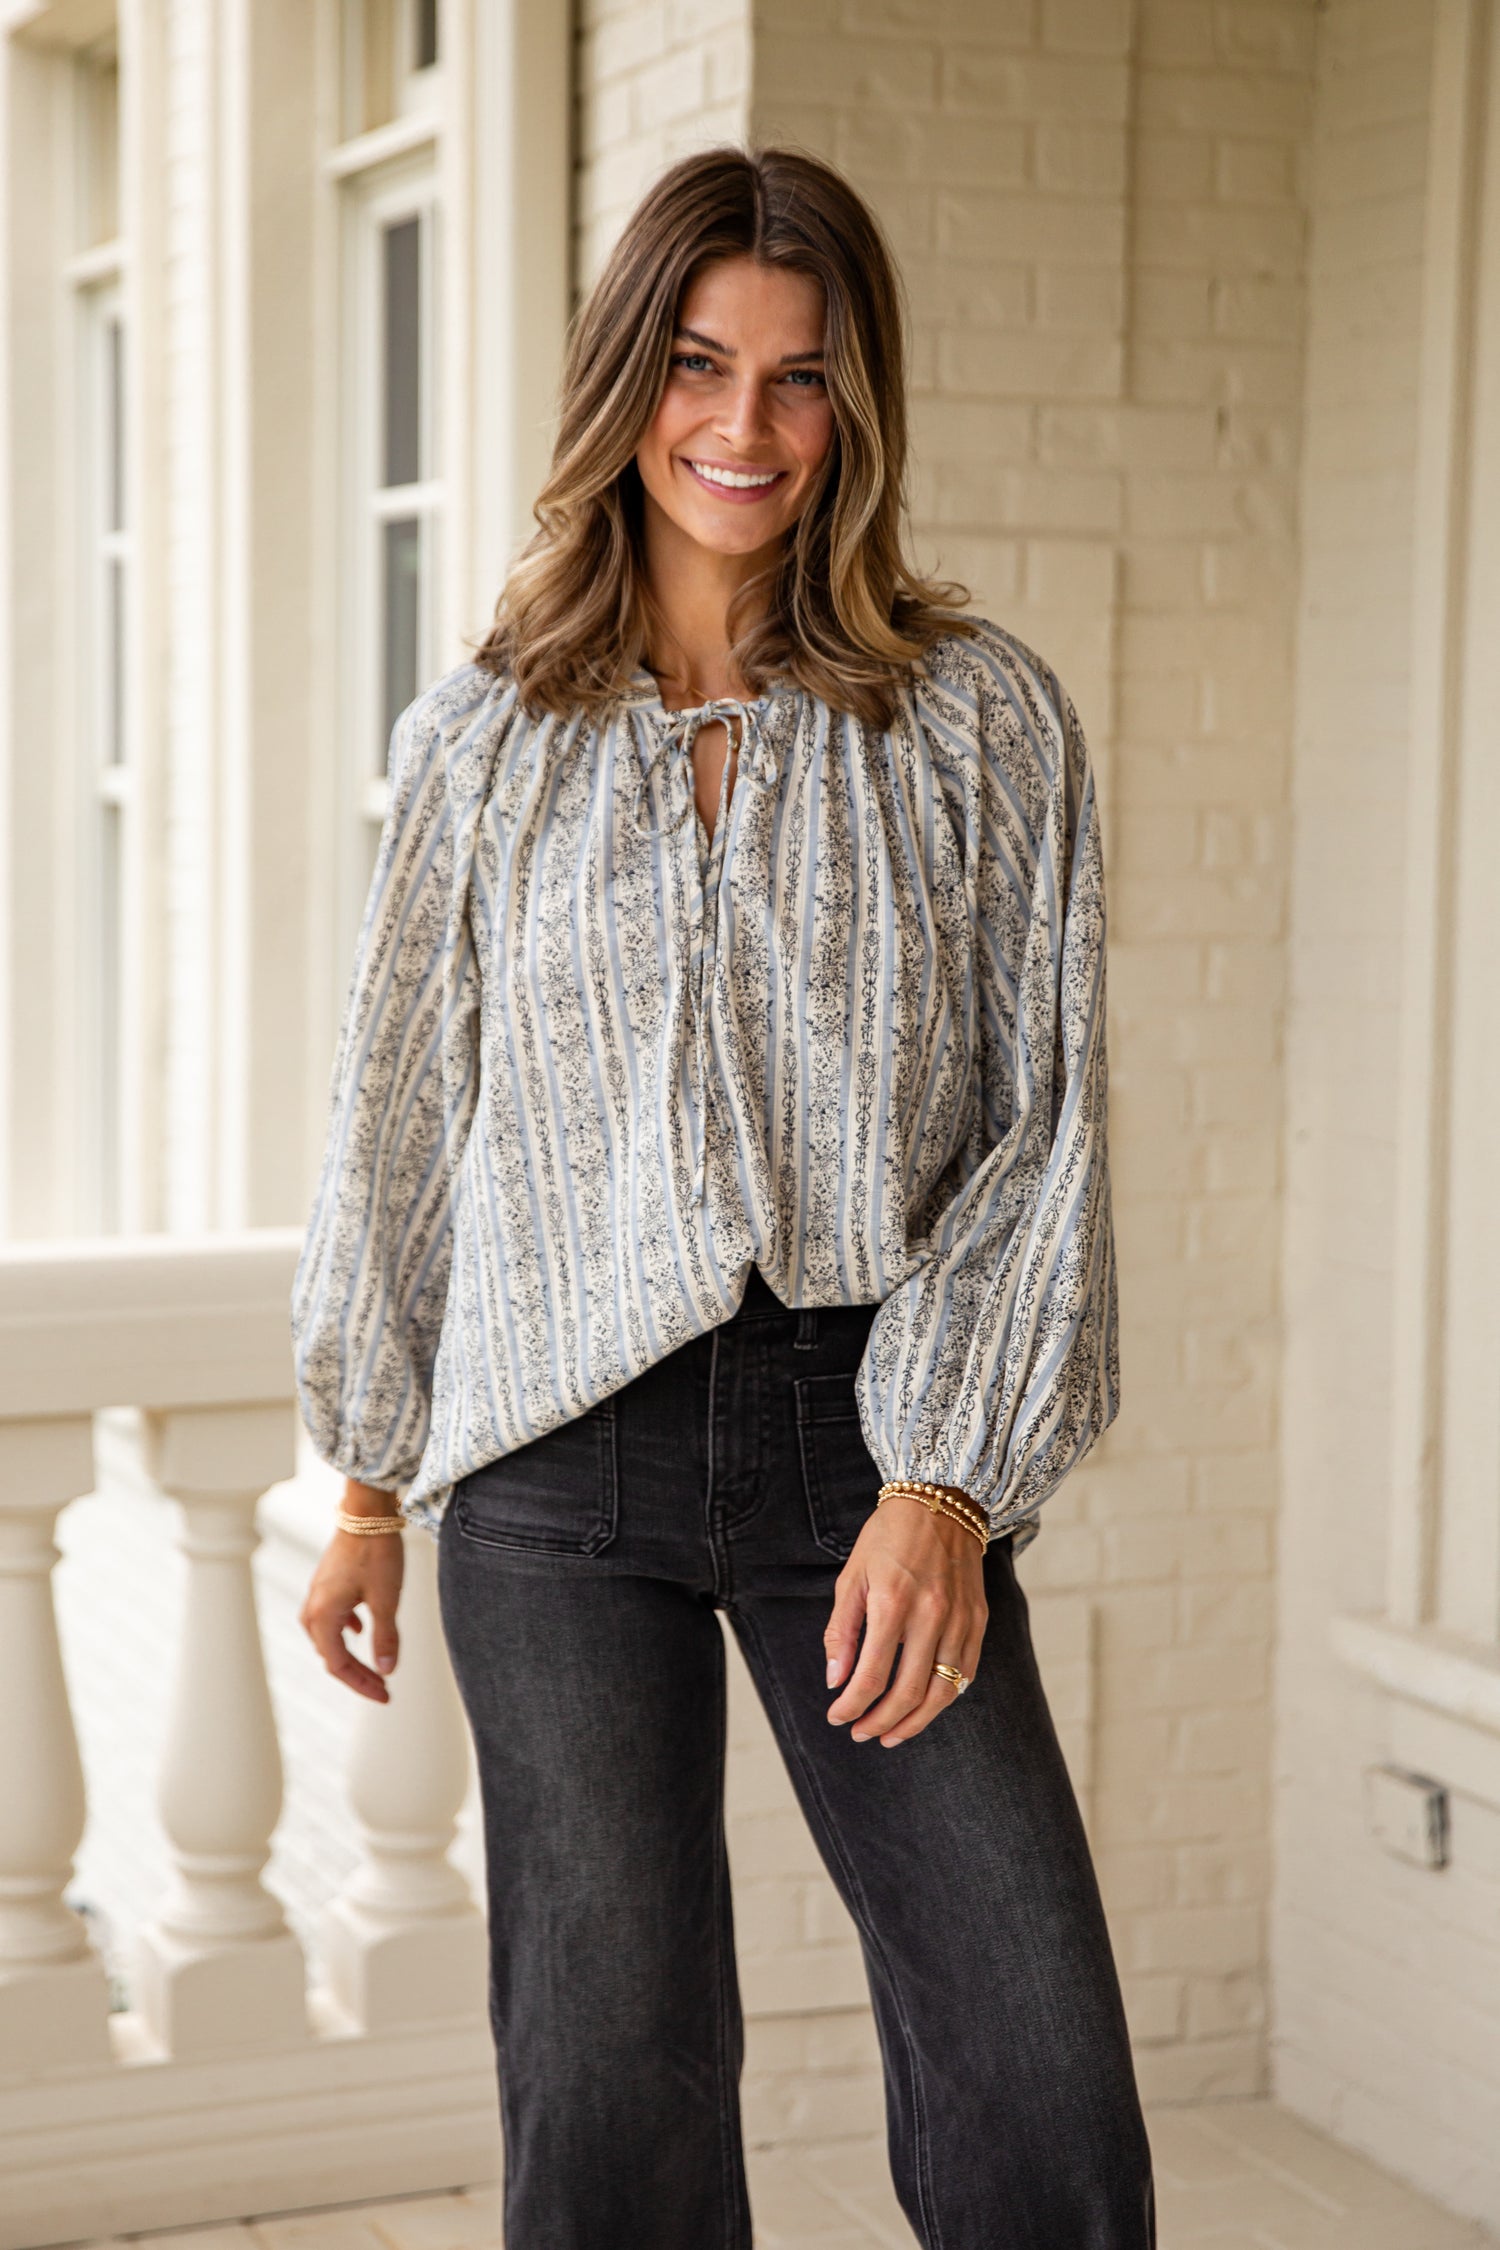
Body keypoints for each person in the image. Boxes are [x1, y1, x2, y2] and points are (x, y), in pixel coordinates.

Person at [293, 145, 1155, 2250]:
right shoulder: (485, 741)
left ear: (859, 406)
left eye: (802, 377)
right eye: (698, 365)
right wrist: (368, 1484)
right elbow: (403, 1118)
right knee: (614, 2104)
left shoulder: (978, 725)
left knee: (1035, 2069)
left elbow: (1044, 1127)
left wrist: (949, 1484)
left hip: (867, 1448)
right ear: (627, 381)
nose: (744, 429)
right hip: (549, 1474)